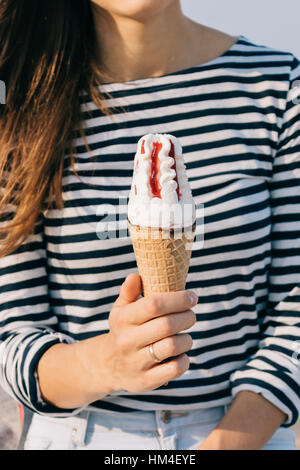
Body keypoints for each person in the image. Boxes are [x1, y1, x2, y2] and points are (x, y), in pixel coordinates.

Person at [0, 0, 299, 451]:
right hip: (83, 434)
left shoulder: (278, 84)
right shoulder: (23, 100)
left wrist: (221, 447)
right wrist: (109, 364)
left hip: (244, 434)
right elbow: (12, 334)